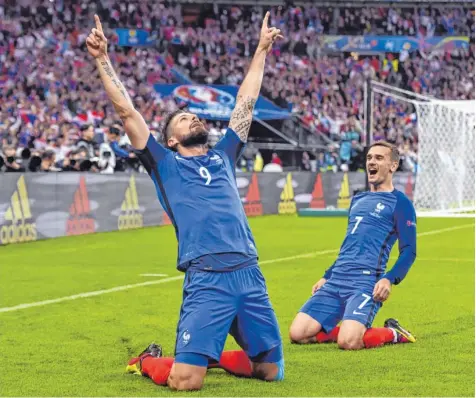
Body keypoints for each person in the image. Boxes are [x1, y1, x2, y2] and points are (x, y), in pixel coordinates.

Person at [86, 13, 284, 391]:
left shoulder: (224, 154)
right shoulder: (164, 163)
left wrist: (260, 50)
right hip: (207, 278)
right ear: (171, 139)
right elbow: (127, 111)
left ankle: (209, 358)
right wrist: (102, 59)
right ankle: (151, 361)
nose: (192, 117)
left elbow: (245, 102)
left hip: (249, 272)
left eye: (194, 115)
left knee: (271, 371)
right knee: (185, 381)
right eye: (183, 118)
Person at [289, 141, 417, 350]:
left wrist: (389, 278)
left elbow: (409, 251)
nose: (371, 162)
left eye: (379, 158)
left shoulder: (400, 203)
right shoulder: (358, 199)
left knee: (349, 342)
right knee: (298, 333)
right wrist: (327, 275)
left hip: (366, 281)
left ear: (393, 166)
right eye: (369, 158)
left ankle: (394, 333)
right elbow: (350, 244)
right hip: (338, 277)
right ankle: (351, 326)